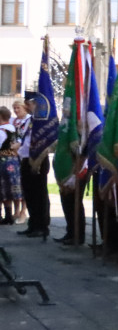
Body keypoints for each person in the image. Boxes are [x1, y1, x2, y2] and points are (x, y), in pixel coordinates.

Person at [16, 93, 50, 240]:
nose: (26, 106)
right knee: (29, 193)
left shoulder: (42, 121)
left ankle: (42, 226)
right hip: (25, 158)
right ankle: (33, 224)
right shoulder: (30, 120)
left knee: (39, 194)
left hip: (38, 159)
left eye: (29, 103)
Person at [0, 106, 22, 225]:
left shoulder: (1, 131)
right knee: (10, 188)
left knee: (3, 188)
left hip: (3, 161)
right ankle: (10, 215)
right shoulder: (13, 129)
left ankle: (7, 215)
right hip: (13, 161)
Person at [12, 99, 30, 223]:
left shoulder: (28, 120)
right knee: (15, 184)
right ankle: (16, 210)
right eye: (15, 108)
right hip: (13, 155)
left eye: (18, 108)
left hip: (24, 155)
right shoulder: (14, 121)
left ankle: (24, 211)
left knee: (24, 184)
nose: (16, 110)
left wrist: (18, 144)